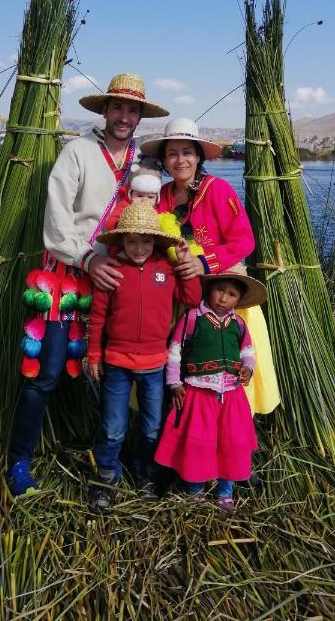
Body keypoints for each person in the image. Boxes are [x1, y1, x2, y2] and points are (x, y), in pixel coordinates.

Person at [7, 73, 169, 498]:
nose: (124, 116)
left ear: (139, 117)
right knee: (48, 370)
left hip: (117, 279)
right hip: (68, 274)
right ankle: (19, 459)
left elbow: (158, 218)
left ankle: (125, 456)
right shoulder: (77, 153)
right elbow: (57, 218)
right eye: (117, 107)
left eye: (132, 110)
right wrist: (87, 257)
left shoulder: (143, 166)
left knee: (125, 365)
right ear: (104, 110)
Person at [140, 118, 280, 416]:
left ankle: (232, 429)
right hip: (181, 296)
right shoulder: (161, 196)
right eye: (173, 153)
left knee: (225, 374)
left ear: (198, 156)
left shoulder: (218, 190)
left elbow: (244, 242)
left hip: (224, 297)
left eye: (187, 152)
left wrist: (203, 262)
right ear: (164, 160)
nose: (180, 160)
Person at [87, 201, 202, 512]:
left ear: (155, 241)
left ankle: (146, 474)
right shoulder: (112, 270)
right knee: (113, 427)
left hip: (154, 364)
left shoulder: (165, 269)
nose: (139, 248)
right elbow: (98, 317)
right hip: (117, 362)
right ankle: (106, 480)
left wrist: (184, 263)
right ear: (122, 241)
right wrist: (94, 354)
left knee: (152, 427)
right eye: (132, 241)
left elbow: (191, 298)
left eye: (146, 241)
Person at [154, 266, 266, 514]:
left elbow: (248, 353)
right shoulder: (193, 318)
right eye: (219, 291)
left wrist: (248, 368)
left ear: (238, 299)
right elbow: (175, 352)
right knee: (198, 444)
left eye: (232, 294)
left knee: (232, 443)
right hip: (198, 394)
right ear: (209, 290)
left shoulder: (238, 323)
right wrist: (175, 384)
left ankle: (225, 492)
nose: (224, 298)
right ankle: (195, 491)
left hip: (231, 395)